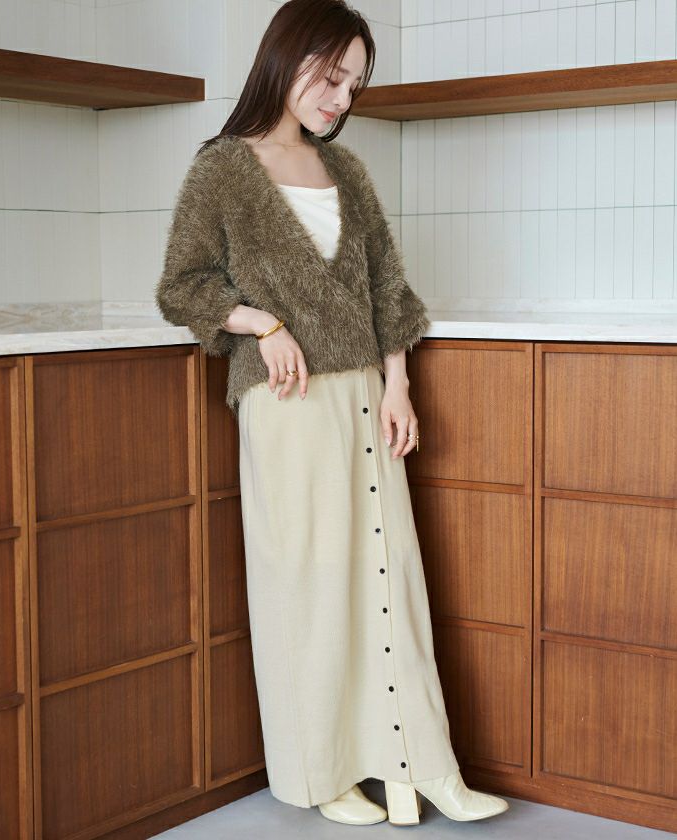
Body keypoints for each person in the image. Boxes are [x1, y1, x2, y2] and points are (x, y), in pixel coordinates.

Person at [155, 0, 509, 827]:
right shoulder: (222, 169)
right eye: (331, 76)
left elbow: (387, 285)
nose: (341, 97)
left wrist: (399, 384)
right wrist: (261, 323)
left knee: (390, 576)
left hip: (364, 396)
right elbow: (182, 286)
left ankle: (423, 767)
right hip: (288, 403)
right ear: (286, 61)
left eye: (353, 84)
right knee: (310, 586)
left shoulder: (345, 169)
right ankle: (324, 774)